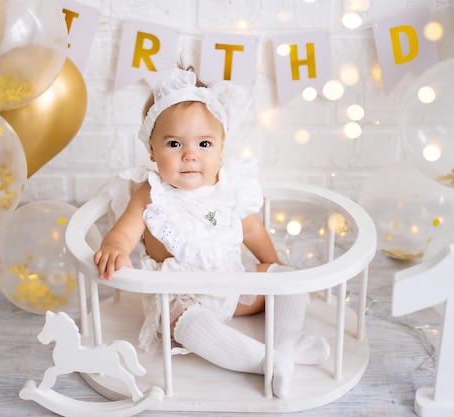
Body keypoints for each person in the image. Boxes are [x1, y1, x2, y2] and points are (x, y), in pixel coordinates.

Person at [93, 67, 329, 398]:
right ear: (151, 151)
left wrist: (274, 274)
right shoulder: (152, 194)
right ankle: (264, 361)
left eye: (204, 143)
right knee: (186, 325)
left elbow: (252, 229)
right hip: (181, 296)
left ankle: (287, 340)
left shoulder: (229, 188)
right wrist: (115, 247)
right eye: (174, 143)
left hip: (232, 283)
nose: (190, 155)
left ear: (221, 148)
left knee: (287, 277)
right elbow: (125, 231)